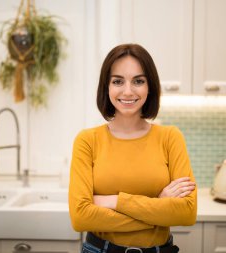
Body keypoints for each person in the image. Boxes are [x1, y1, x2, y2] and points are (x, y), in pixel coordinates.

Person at [69, 44, 197, 253]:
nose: (128, 91)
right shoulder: (87, 141)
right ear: (106, 87)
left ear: (150, 87)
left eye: (138, 81)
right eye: (118, 81)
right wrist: (158, 206)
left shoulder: (170, 137)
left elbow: (186, 213)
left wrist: (115, 201)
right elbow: (80, 217)